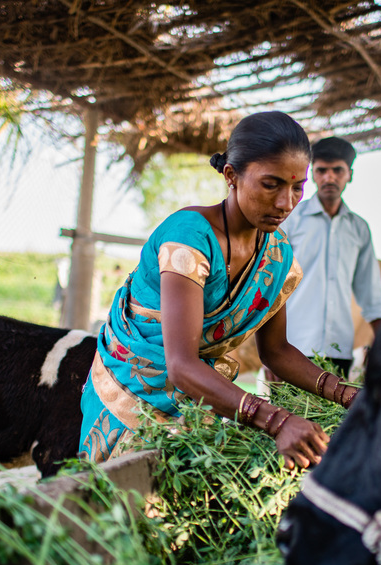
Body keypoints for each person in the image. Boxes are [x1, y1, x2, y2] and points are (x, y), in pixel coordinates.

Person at [79, 111, 358, 470]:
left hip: (200, 403)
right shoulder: (189, 238)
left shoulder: (277, 255)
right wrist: (278, 422)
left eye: (297, 188)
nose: (285, 203)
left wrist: (348, 395)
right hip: (129, 397)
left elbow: (276, 351)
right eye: (271, 184)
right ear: (231, 176)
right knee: (118, 506)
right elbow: (181, 365)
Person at [280, 136, 381, 378]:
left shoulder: (359, 228)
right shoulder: (290, 219)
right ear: (312, 174)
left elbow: (371, 294)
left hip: (340, 349)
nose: (329, 177)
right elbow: (271, 284)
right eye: (322, 170)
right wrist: (269, 356)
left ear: (349, 174)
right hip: (291, 347)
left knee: (332, 416)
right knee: (288, 415)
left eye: (337, 170)